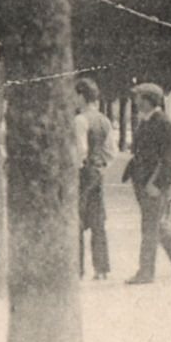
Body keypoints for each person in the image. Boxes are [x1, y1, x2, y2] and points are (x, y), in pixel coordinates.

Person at [123, 83, 171, 284]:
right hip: (142, 183)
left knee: (149, 228)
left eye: (138, 97)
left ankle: (146, 273)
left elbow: (170, 159)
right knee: (157, 225)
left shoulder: (163, 124)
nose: (135, 101)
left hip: (153, 185)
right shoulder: (146, 121)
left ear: (148, 100)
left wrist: (157, 184)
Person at [74, 79, 113, 279]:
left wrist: (75, 167)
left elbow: (81, 150)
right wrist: (102, 166)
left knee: (76, 220)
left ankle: (77, 269)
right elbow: (110, 151)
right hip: (98, 172)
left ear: (81, 96)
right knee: (98, 221)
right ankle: (101, 268)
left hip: (82, 173)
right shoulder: (104, 120)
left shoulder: (80, 120)